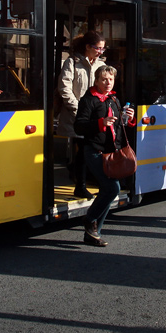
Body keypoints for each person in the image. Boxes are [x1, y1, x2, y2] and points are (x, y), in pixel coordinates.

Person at [74, 64, 135, 247]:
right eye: (104, 79)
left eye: (111, 79)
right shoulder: (89, 100)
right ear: (97, 81)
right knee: (112, 188)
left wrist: (128, 118)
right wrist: (101, 122)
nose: (108, 83)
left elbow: (118, 126)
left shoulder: (114, 98)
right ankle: (89, 219)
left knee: (107, 192)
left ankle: (93, 233)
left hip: (111, 152)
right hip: (94, 151)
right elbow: (79, 126)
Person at [57, 30, 106, 199]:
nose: (100, 52)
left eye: (102, 49)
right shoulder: (72, 62)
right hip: (77, 117)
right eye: (98, 48)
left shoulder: (101, 66)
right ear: (87, 47)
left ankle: (88, 182)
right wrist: (78, 110)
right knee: (85, 149)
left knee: (92, 149)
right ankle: (81, 185)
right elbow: (65, 88)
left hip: (96, 117)